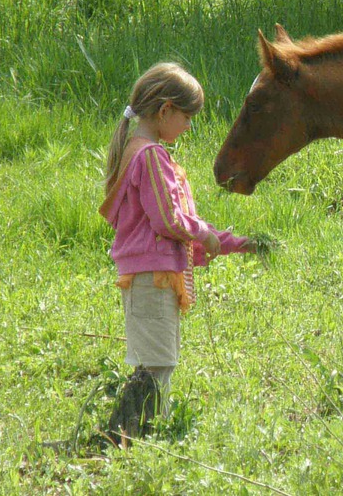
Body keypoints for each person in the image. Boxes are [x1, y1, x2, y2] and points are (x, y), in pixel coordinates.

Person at [98, 62, 256, 426]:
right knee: (157, 364)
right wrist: (203, 234)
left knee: (154, 361)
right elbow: (168, 220)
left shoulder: (136, 149)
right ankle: (149, 431)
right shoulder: (151, 155)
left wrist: (225, 241)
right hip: (152, 279)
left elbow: (165, 224)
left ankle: (142, 429)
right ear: (165, 109)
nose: (188, 126)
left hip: (148, 277)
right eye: (187, 116)